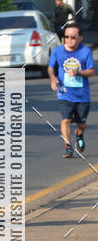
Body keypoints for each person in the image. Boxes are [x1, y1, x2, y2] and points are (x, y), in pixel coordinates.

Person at [48, 22, 95, 158]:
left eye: (73, 37)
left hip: (82, 95)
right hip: (64, 93)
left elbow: (91, 72)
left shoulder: (85, 51)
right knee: (65, 119)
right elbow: (51, 68)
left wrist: (78, 72)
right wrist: (53, 78)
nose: (69, 40)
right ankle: (68, 147)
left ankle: (79, 133)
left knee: (82, 124)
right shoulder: (57, 51)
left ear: (80, 38)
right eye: (66, 37)